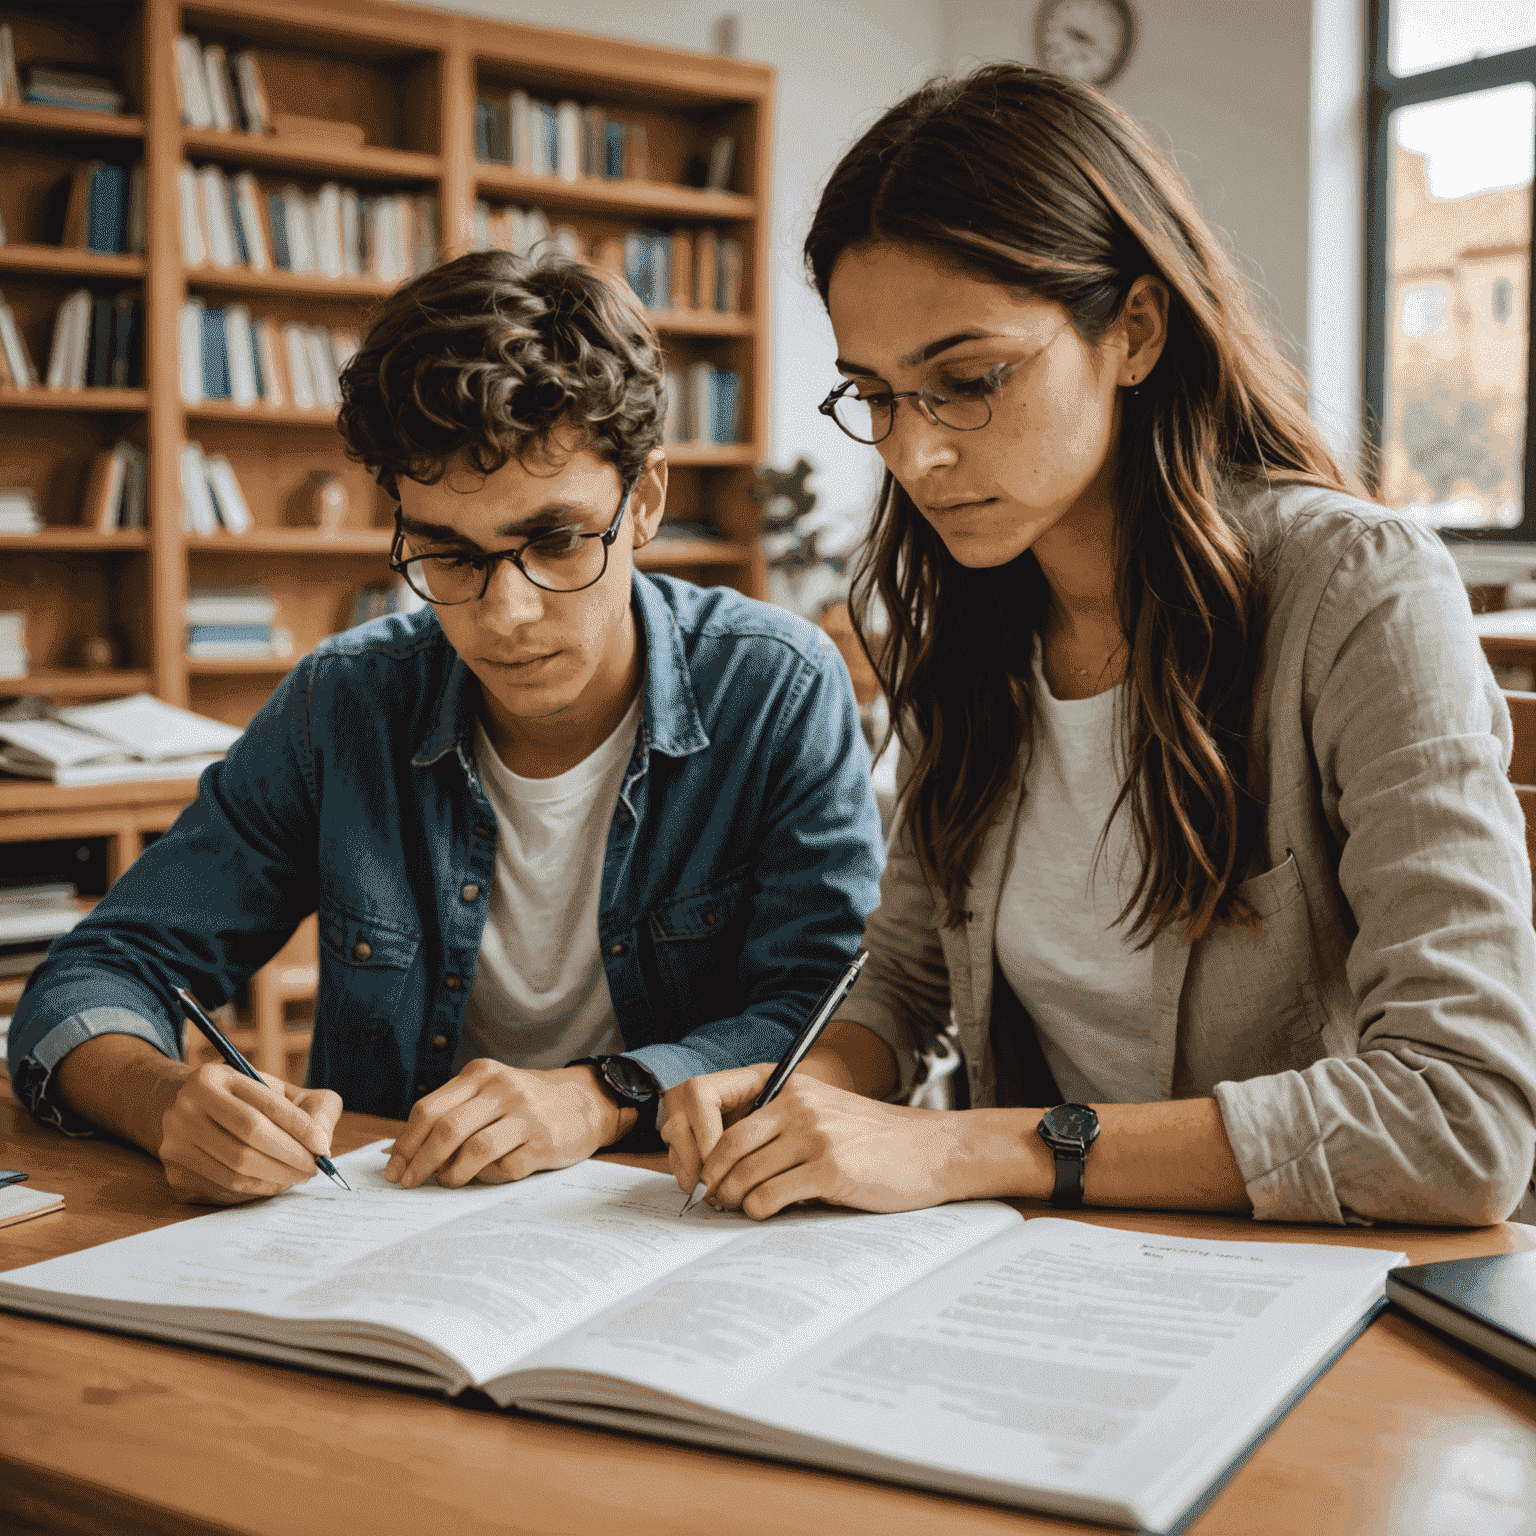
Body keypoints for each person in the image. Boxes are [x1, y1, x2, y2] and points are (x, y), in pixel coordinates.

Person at [662, 64, 1536, 1228]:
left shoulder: (1359, 596)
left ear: (1133, 328)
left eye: (967, 382)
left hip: (1312, 1298)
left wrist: (981, 1150)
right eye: (874, 394)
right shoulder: (973, 608)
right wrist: (796, 1098)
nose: (913, 456)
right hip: (1046, 1282)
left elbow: (1461, 1117)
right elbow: (908, 979)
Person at [9, 250, 883, 1204]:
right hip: (393, 1231)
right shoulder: (343, 704)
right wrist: (166, 1098)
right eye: (448, 553)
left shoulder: (775, 687)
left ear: (646, 503)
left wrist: (602, 1097)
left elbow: (826, 1021)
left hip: (675, 1217)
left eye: (553, 541)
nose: (504, 613)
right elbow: (99, 971)